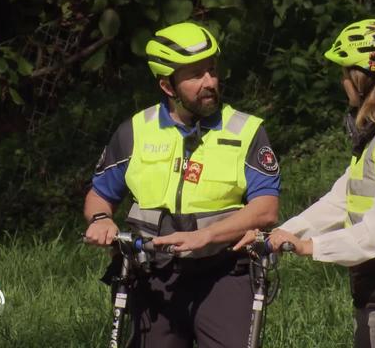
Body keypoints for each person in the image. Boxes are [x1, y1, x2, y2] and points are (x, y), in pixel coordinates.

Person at [234, 19, 375, 347]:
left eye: (344, 72)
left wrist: (310, 247)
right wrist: (281, 235)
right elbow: (340, 201)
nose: (342, 82)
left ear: (361, 76)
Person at [83, 21, 280, 348]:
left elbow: (266, 209)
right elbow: (100, 195)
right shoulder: (135, 131)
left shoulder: (246, 131)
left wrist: (205, 236)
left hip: (224, 272)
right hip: (154, 278)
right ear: (167, 86)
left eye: (212, 70)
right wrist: (101, 220)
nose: (210, 82)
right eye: (195, 75)